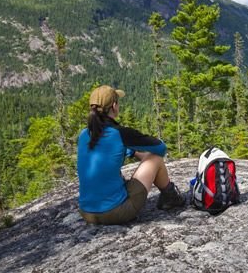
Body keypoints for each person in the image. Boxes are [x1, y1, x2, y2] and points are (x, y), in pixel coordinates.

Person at [77, 85, 185, 225]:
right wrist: (144, 155)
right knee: (156, 159)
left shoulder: (84, 134)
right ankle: (170, 197)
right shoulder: (120, 133)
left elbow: (106, 153)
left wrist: (134, 153)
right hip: (115, 212)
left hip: (86, 212)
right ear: (114, 106)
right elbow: (160, 148)